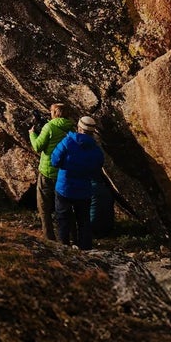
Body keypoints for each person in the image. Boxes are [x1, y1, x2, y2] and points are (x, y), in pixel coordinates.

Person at [49, 114, 105, 250]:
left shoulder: (67, 142)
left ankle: (64, 247)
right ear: (92, 132)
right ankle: (85, 249)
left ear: (79, 128)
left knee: (63, 219)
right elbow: (97, 170)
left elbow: (54, 161)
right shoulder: (96, 150)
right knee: (83, 221)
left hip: (64, 187)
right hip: (84, 190)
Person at [28, 102, 76, 240]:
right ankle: (72, 237)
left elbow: (38, 146)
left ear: (55, 113)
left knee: (44, 206)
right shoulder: (71, 128)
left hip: (47, 172)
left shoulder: (49, 127)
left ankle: (49, 237)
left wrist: (32, 134)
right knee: (66, 207)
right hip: (64, 172)